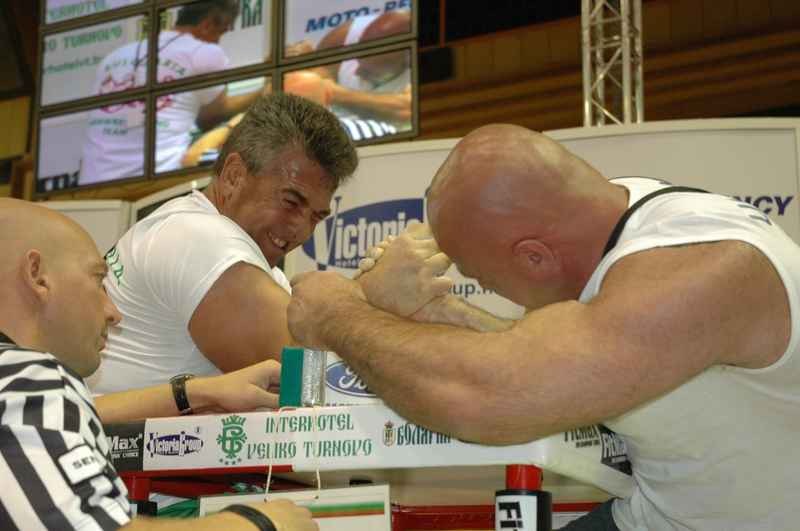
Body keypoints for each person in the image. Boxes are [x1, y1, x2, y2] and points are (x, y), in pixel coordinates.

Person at [287, 123, 800, 530]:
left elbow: (492, 397)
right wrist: (436, 315)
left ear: (534, 256)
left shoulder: (696, 270)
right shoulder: (616, 213)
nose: (484, 286)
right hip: (662, 512)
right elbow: (563, 355)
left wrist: (335, 312)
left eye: (483, 277)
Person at [0, 198, 317, 530]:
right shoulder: (31, 379)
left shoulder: (18, 389)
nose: (113, 311)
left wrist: (197, 392)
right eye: (98, 281)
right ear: (37, 276)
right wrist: (260, 523)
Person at [88, 93, 358, 395]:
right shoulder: (200, 239)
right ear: (233, 176)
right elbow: (318, 382)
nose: (301, 229)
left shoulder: (205, 238)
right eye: (291, 202)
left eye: (316, 217)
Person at [80, 0, 268, 184]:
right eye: (222, 31)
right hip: (156, 182)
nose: (219, 40)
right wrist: (264, 90)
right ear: (207, 25)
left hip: (93, 183)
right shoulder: (205, 53)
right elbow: (211, 116)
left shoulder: (115, 56)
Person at [285, 10, 412, 141]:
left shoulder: (419, 56)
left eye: (368, 72)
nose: (357, 71)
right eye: (358, 58)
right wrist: (300, 64)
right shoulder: (342, 38)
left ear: (404, 62)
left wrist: (334, 93)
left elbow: (407, 112)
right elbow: (319, 75)